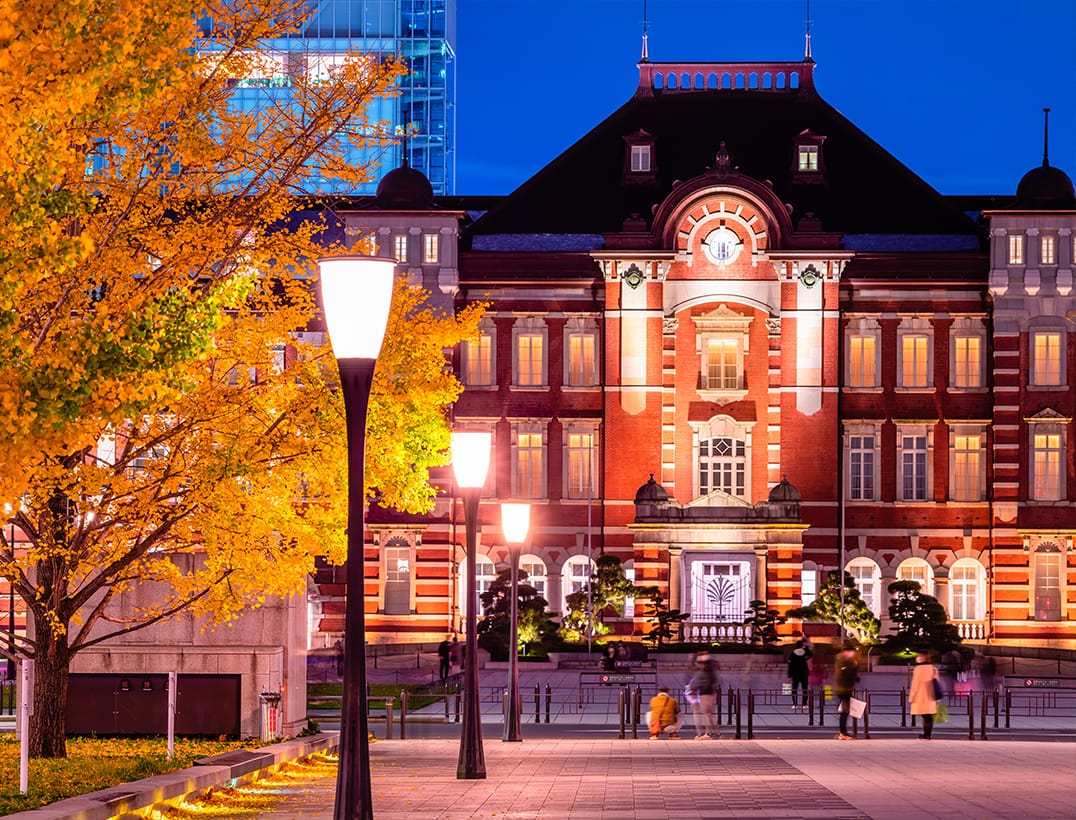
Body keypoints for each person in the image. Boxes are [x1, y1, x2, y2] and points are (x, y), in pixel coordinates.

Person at [688, 650, 719, 739]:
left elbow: (698, 681)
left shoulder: (703, 670)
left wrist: (692, 689)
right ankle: (715, 732)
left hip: (705, 692)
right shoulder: (710, 668)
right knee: (709, 713)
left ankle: (709, 733)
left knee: (707, 713)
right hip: (708, 691)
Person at [909, 652, 940, 739]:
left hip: (921, 696)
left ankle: (926, 734)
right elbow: (937, 682)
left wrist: (912, 697)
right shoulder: (933, 668)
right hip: (932, 696)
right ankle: (928, 734)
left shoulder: (918, 669)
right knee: (929, 716)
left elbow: (915, 685)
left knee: (925, 716)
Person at [833, 639, 859, 740]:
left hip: (844, 688)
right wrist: (854, 667)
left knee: (845, 711)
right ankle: (843, 732)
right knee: (845, 711)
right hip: (844, 688)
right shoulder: (845, 661)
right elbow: (847, 674)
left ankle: (843, 732)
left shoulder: (843, 660)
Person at [786, 638, 813, 712]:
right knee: (805, 689)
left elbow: (790, 664)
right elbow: (811, 654)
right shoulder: (804, 652)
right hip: (804, 673)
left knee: (794, 689)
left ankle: (794, 704)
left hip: (795, 673)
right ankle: (804, 704)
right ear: (802, 645)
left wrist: (789, 675)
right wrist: (806, 647)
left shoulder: (793, 653)